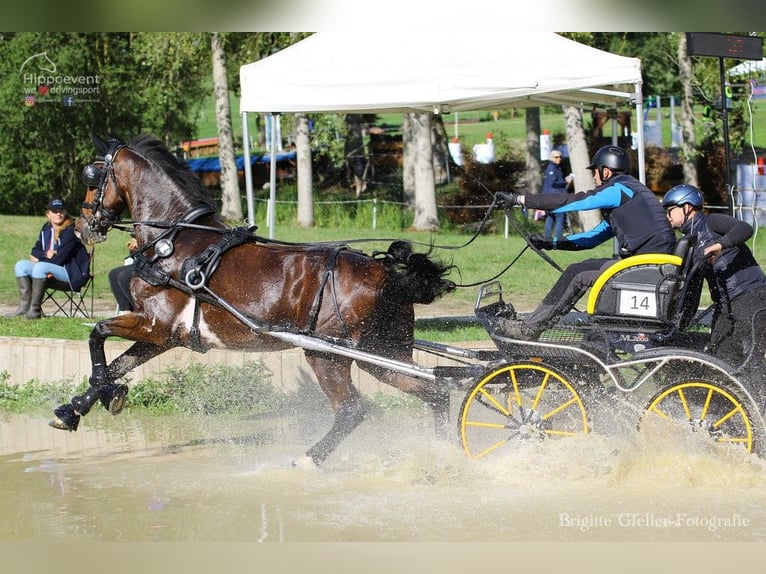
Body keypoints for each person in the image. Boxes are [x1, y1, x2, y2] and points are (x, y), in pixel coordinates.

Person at [497, 145, 676, 340]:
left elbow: (576, 201)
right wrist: (552, 242)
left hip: (646, 269)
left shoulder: (618, 189)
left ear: (606, 171)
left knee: (577, 273)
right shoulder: (631, 192)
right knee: (580, 269)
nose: (594, 178)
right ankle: (534, 324)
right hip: (653, 268)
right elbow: (593, 238)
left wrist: (520, 199)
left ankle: (528, 329)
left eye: (595, 173)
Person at [662, 183, 766, 366]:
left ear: (687, 207)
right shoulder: (688, 242)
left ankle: (758, 395)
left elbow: (745, 228)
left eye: (670, 210)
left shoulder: (711, 222)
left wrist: (720, 245)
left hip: (750, 296)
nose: (667, 216)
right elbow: (691, 287)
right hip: (725, 305)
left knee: (751, 359)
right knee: (719, 356)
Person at [9, 198, 90, 319]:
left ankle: (34, 312)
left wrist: (41, 260)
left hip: (70, 273)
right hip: (48, 268)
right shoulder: (46, 228)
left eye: (61, 211)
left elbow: (60, 259)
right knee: (21, 265)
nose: (59, 214)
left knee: (40, 267)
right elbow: (35, 251)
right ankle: (24, 308)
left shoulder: (72, 229)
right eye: (55, 211)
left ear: (65, 212)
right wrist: (46, 254)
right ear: (48, 214)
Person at [541, 150, 574, 241]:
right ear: (551, 158)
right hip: (555, 197)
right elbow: (553, 183)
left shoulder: (555, 167)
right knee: (559, 217)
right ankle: (558, 239)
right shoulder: (552, 167)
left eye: (560, 157)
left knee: (551, 217)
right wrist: (565, 182)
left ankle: (547, 238)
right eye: (556, 157)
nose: (559, 159)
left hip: (552, 196)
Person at [109, 237, 138, 314]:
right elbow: (135, 257)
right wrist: (134, 250)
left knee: (124, 277)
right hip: (140, 263)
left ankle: (139, 311)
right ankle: (126, 313)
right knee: (113, 274)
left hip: (155, 264)